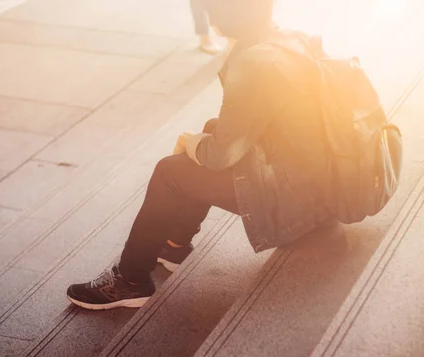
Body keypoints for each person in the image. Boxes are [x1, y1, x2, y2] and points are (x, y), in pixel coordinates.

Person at [67, 0, 333, 310]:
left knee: (170, 171)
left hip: (299, 206)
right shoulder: (285, 39)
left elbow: (219, 155)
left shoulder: (253, 63)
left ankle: (130, 281)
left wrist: (190, 143)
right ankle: (174, 245)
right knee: (210, 129)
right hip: (315, 186)